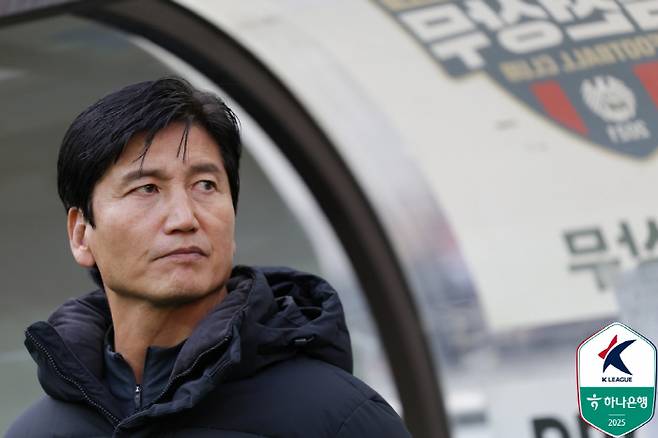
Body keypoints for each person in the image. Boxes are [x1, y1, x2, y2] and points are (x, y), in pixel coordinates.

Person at [6, 77, 412, 437]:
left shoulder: (341, 419)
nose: (184, 218)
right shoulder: (36, 433)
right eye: (146, 189)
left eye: (205, 185)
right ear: (81, 235)